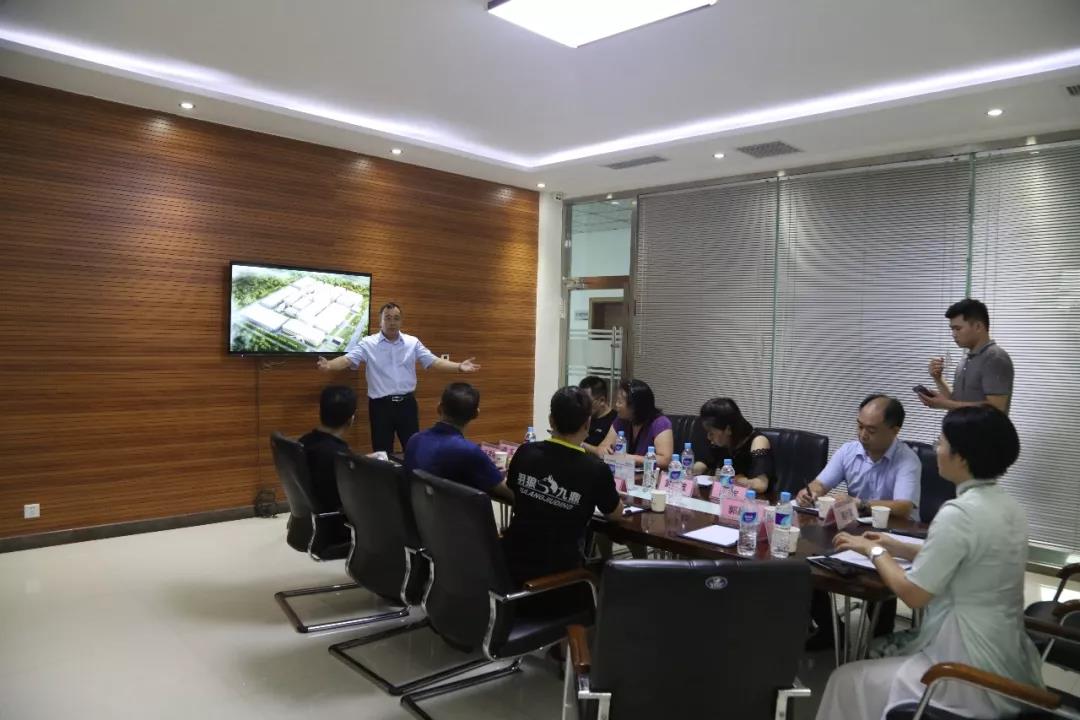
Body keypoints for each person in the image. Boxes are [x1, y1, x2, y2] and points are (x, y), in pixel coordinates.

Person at [817, 406, 1041, 720]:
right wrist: (896, 546)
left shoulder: (959, 514)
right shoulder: (1008, 507)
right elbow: (968, 558)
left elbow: (913, 594)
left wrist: (874, 552)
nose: (936, 449)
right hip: (1006, 653)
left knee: (845, 680)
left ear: (961, 456)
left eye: (941, 442)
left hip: (963, 665)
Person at [502, 386, 623, 592]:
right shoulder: (595, 470)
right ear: (587, 424)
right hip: (561, 579)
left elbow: (513, 491)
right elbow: (616, 514)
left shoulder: (525, 452)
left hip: (508, 567)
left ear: (551, 421)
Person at [316, 302, 481, 452]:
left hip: (407, 405)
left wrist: (459, 366)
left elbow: (434, 361)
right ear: (380, 321)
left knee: (413, 449)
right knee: (382, 452)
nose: (392, 322)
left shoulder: (412, 342)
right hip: (380, 406)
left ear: (401, 321)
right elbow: (347, 360)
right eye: (387, 318)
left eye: (396, 318)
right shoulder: (368, 343)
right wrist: (329, 365)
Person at [796, 394, 921, 520]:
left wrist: (861, 504)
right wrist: (810, 493)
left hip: (897, 528)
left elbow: (904, 507)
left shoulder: (908, 460)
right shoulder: (848, 451)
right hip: (857, 525)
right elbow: (820, 484)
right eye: (860, 426)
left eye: (871, 431)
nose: (863, 435)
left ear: (894, 431)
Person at [403, 382, 512, 502]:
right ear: (476, 414)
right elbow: (507, 491)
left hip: (418, 511)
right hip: (455, 513)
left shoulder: (414, 440)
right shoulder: (469, 452)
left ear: (439, 408)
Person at [920, 298, 1014, 414]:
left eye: (958, 329)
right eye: (952, 329)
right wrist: (938, 378)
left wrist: (945, 404)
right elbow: (956, 402)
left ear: (978, 327)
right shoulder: (965, 359)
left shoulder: (995, 358)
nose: (953, 334)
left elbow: (996, 408)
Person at [298, 385, 356, 543]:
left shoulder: (304, 442)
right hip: (338, 525)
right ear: (351, 419)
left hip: (314, 520)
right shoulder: (339, 456)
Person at [691, 397, 774, 493]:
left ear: (728, 429)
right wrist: (692, 470)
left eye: (711, 433)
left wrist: (734, 479)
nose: (709, 437)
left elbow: (761, 485)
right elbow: (705, 462)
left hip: (755, 499)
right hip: (726, 496)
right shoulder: (722, 441)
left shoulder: (758, 441)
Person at [598, 379, 674, 469]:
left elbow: (665, 460)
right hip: (622, 473)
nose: (616, 405)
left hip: (649, 475)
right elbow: (603, 446)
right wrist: (604, 450)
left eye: (620, 402)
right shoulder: (620, 420)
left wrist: (630, 458)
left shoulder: (660, 423)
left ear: (634, 406)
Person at [579, 375, 617, 455]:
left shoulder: (616, 420)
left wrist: (580, 444)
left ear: (602, 400)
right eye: (581, 401)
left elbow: (605, 452)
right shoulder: (582, 416)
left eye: (587, 402)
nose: (583, 405)